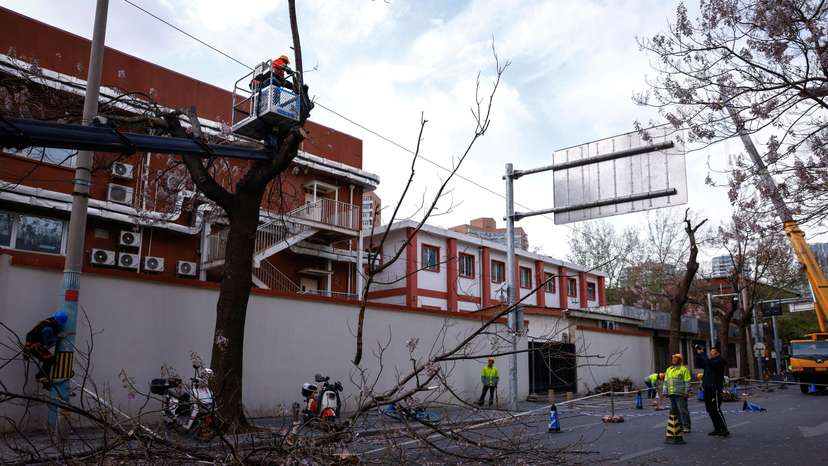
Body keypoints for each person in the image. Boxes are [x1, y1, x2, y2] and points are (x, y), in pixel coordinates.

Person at [24, 311, 67, 386]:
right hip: (33, 346)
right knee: (49, 359)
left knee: (51, 359)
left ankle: (43, 378)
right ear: (56, 321)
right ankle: (41, 377)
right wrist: (58, 337)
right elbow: (48, 343)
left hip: (34, 344)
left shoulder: (48, 322)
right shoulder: (47, 328)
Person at [695, 344, 730, 437]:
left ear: (718, 353)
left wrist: (703, 354)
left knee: (716, 409)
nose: (711, 354)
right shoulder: (709, 361)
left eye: (713, 352)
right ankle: (717, 428)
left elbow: (710, 363)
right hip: (707, 387)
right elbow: (700, 364)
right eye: (710, 353)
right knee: (710, 410)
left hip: (715, 388)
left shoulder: (720, 361)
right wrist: (698, 354)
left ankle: (724, 429)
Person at [664, 353, 692, 433]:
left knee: (683, 410)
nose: (674, 360)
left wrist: (686, 392)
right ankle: (678, 426)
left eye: (676, 359)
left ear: (679, 360)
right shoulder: (669, 369)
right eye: (673, 359)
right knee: (673, 411)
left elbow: (687, 381)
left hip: (680, 393)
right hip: (671, 393)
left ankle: (686, 426)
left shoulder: (683, 369)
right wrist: (665, 391)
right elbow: (666, 382)